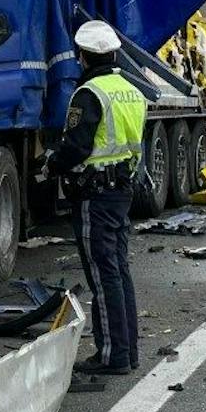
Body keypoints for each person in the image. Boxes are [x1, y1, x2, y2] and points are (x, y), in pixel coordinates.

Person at [43, 21, 148, 376]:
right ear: (114, 53)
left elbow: (77, 146)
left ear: (82, 57)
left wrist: (51, 163)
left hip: (95, 195)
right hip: (121, 191)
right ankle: (126, 350)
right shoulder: (130, 90)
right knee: (119, 271)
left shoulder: (89, 94)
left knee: (103, 276)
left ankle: (112, 355)